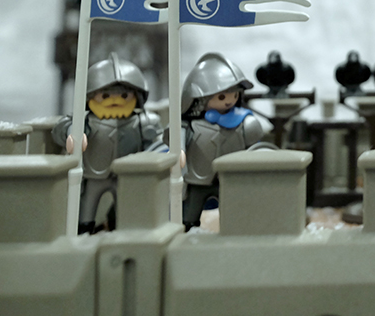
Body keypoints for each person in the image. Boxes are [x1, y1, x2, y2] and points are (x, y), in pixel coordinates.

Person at [52, 53, 161, 233]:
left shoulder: (143, 121)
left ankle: (117, 228)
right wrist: (72, 133)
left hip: (126, 176)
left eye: (124, 95)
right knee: (86, 210)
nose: (115, 100)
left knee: (125, 211)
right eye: (105, 96)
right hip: (94, 175)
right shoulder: (85, 122)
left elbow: (156, 143)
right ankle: (84, 230)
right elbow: (62, 127)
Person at [173, 52, 264, 230]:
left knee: (234, 215)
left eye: (234, 95)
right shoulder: (191, 125)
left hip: (232, 179)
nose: (229, 100)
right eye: (221, 96)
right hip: (198, 179)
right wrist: (180, 150)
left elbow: (256, 150)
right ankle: (189, 230)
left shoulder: (245, 123)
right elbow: (177, 134)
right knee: (189, 215)